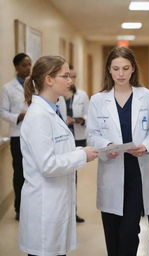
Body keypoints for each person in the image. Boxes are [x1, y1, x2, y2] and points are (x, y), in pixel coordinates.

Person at [87, 46, 149, 256]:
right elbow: (92, 134)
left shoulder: (146, 96)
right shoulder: (97, 100)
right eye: (116, 68)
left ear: (133, 70)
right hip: (112, 169)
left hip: (138, 173)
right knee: (112, 234)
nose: (120, 74)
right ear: (109, 70)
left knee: (130, 232)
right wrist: (107, 145)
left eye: (125, 68)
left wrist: (146, 145)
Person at [19, 55, 98, 256]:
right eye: (65, 76)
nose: (71, 81)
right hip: (45, 207)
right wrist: (82, 156)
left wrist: (80, 151)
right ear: (49, 79)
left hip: (56, 204)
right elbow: (48, 165)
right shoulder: (38, 116)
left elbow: (58, 152)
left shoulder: (52, 111)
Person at [0, 53, 31, 221]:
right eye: (25, 65)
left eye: (29, 64)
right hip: (17, 135)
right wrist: (18, 117)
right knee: (20, 172)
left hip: (33, 135)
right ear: (17, 67)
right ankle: (19, 208)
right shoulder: (7, 88)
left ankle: (32, 207)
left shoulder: (35, 84)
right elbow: (2, 111)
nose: (28, 68)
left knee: (33, 172)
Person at [58, 65, 89, 223]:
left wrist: (79, 119)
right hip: (62, 140)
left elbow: (89, 115)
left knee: (73, 176)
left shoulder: (81, 95)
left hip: (78, 137)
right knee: (64, 174)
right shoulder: (58, 96)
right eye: (68, 76)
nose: (72, 79)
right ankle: (65, 212)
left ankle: (72, 211)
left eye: (74, 76)